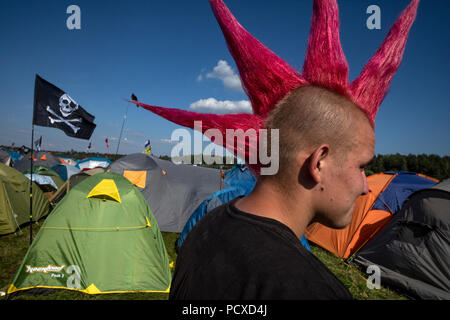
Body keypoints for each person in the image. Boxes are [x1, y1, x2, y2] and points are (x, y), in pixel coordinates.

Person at [129, 0, 419, 299]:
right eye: (361, 166)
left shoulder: (203, 227)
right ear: (318, 162)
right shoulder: (315, 291)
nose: (364, 187)